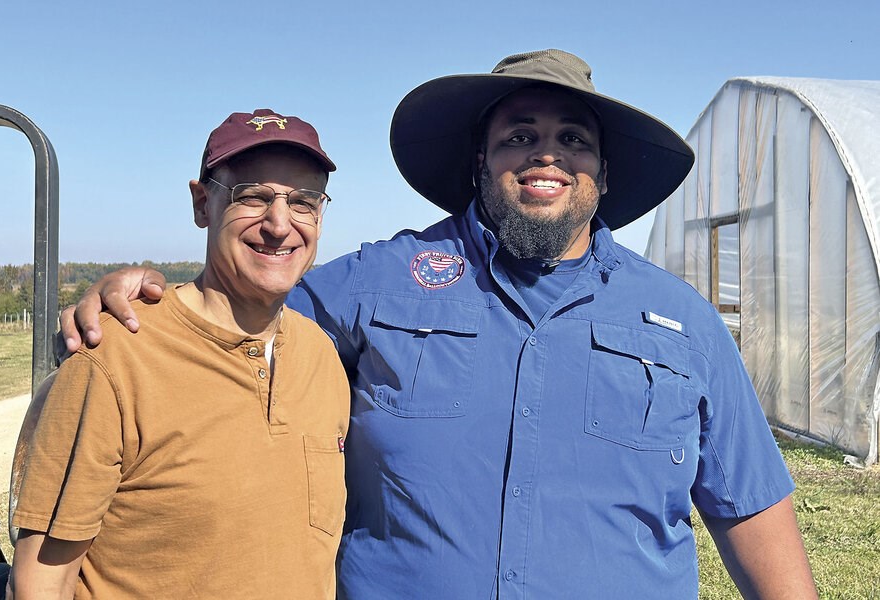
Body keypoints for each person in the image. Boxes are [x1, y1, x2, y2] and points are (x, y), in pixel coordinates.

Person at [63, 51, 817, 599]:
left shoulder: (682, 321)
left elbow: (752, 510)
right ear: (479, 164)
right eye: (518, 135)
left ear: (604, 175)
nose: (546, 153)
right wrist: (142, 296)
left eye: (573, 139)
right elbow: (231, 315)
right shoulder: (377, 282)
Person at [9, 110, 349, 599]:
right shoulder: (114, 359)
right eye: (252, 196)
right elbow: (43, 580)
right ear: (202, 203)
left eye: (303, 201)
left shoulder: (321, 356)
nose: (280, 224)